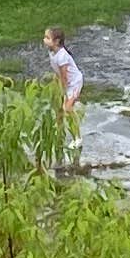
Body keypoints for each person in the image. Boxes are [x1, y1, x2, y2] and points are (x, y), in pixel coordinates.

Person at [40, 23, 85, 160]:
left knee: (67, 108)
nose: (44, 40)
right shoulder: (52, 53)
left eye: (47, 37)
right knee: (59, 109)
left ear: (56, 41)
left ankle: (77, 137)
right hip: (64, 83)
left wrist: (63, 91)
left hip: (74, 83)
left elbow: (65, 76)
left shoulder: (62, 56)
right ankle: (60, 135)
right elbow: (58, 72)